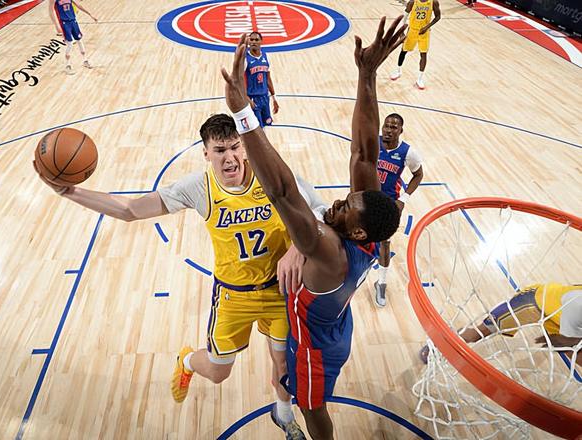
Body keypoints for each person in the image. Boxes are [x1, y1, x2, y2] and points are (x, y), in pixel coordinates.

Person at [32, 115, 325, 440]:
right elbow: (131, 210)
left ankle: (283, 414)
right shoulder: (198, 187)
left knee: (283, 363)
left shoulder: (272, 174)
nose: (229, 158)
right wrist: (70, 192)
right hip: (233, 296)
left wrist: (297, 247)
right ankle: (187, 360)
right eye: (220, 150)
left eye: (234, 147)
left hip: (279, 290)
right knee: (218, 373)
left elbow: (320, 210)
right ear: (206, 153)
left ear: (243, 146)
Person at [221, 16, 406, 440]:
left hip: (315, 349)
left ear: (357, 234)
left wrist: (242, 113)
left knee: (312, 407)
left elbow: (282, 190)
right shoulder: (367, 229)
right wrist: (367, 75)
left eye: (346, 208)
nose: (339, 203)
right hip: (337, 323)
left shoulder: (326, 249)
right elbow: (365, 152)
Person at [419, 283, 582, 366]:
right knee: (477, 334)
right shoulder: (576, 306)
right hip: (531, 303)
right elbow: (564, 344)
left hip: (561, 314)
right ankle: (441, 342)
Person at [373, 113, 423, 307]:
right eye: (386, 126)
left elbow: (418, 175)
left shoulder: (408, 152)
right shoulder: (372, 141)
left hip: (389, 202)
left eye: (393, 127)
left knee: (384, 243)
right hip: (368, 197)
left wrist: (403, 199)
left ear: (401, 131)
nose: (388, 130)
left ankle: (381, 282)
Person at [389, 0, 441, 89]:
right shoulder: (412, 2)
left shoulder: (433, 2)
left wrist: (427, 27)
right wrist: (401, 32)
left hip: (424, 33)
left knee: (423, 54)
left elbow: (438, 17)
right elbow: (404, 17)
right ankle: (398, 71)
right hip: (412, 31)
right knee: (403, 51)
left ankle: (420, 79)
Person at [48, 0, 97, 75]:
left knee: (79, 40)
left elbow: (78, 5)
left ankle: (85, 60)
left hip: (73, 21)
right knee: (69, 44)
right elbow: (51, 11)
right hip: (64, 23)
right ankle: (67, 65)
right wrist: (56, 25)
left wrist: (90, 14)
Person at [245, 31, 279, 128]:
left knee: (266, 124)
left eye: (256, 40)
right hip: (252, 98)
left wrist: (274, 98)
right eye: (251, 40)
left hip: (265, 97)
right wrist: (247, 99)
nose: (253, 42)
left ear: (261, 41)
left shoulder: (266, 56)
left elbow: (268, 78)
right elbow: (241, 80)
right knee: (257, 128)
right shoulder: (245, 59)